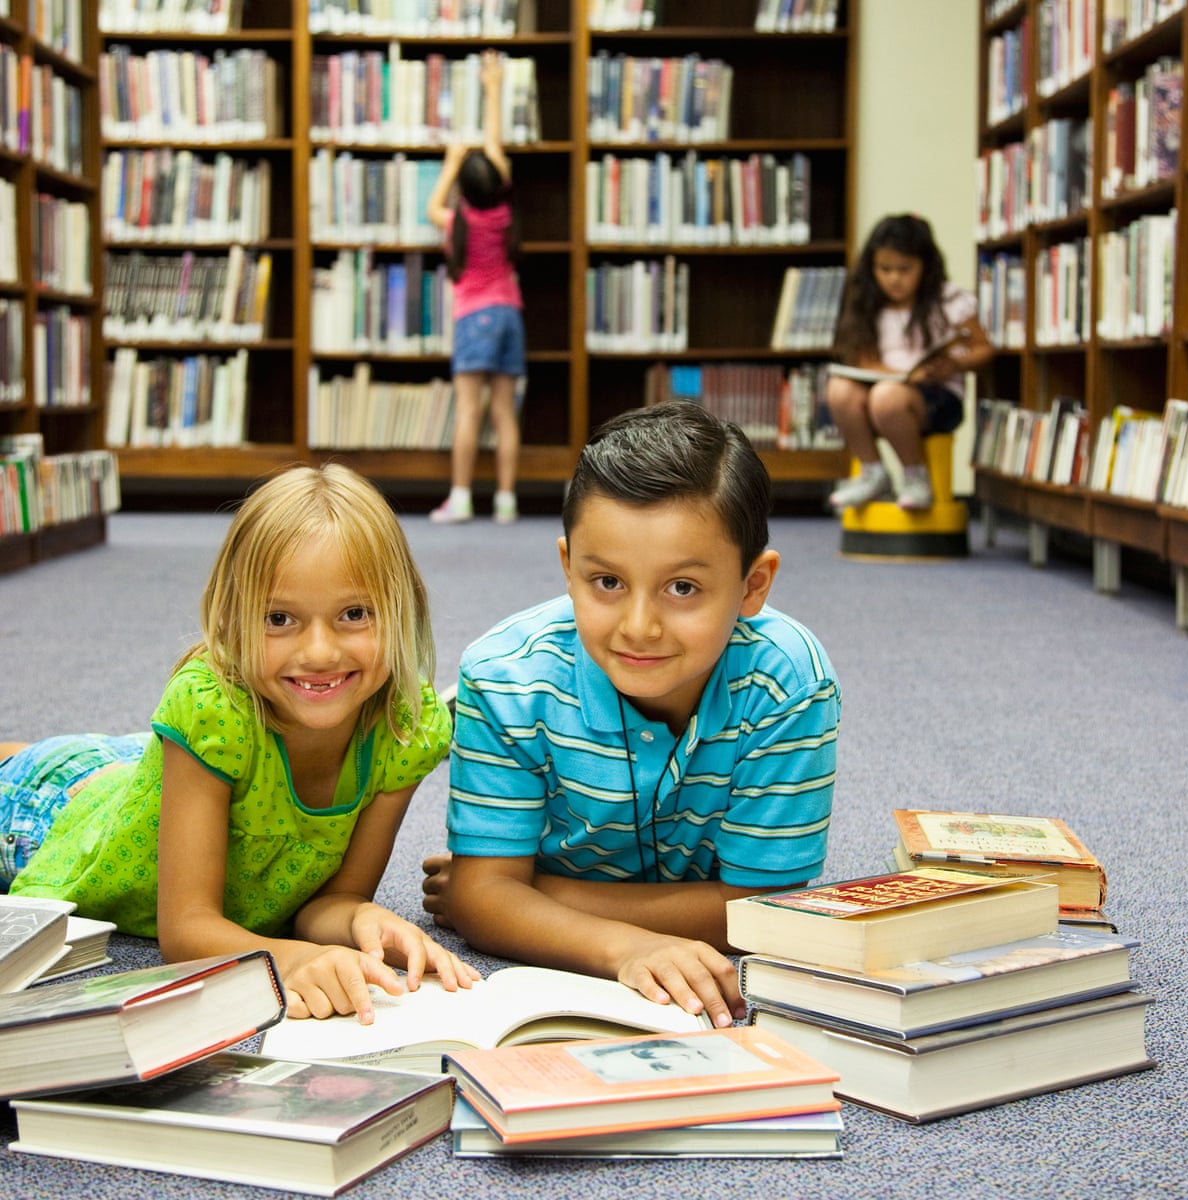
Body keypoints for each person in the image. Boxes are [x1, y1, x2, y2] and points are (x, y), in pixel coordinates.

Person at [1, 463, 477, 1024]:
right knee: (49, 766)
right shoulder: (210, 711)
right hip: (53, 809)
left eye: (354, 614)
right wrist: (291, 960)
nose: (320, 652)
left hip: (166, 768)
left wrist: (359, 921)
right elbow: (185, 930)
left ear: (403, 607)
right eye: (280, 618)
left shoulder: (406, 726)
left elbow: (331, 901)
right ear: (232, 617)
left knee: (137, 763)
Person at [421, 402, 840, 1028]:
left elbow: (765, 910)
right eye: (607, 583)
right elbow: (483, 908)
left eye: (683, 589)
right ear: (568, 567)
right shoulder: (503, 677)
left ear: (754, 585)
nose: (639, 628)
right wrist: (626, 946)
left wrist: (529, 892)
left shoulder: (792, 685)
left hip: (557, 884)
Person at [826, 213, 994, 511]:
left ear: (925, 267)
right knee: (839, 389)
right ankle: (872, 472)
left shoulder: (948, 300)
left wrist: (955, 365)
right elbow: (863, 360)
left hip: (937, 399)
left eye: (905, 269)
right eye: (885, 269)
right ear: (872, 268)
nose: (894, 278)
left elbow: (983, 348)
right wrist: (902, 375)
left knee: (886, 397)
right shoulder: (867, 304)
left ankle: (915, 476)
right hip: (888, 390)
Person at [426, 48, 525, 525]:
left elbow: (432, 207)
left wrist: (449, 164)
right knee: (504, 410)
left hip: (473, 316)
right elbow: (496, 147)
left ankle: (461, 496)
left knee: (469, 410)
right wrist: (494, 89)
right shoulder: (504, 214)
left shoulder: (458, 223)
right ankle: (506, 500)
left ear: (464, 189)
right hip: (510, 314)